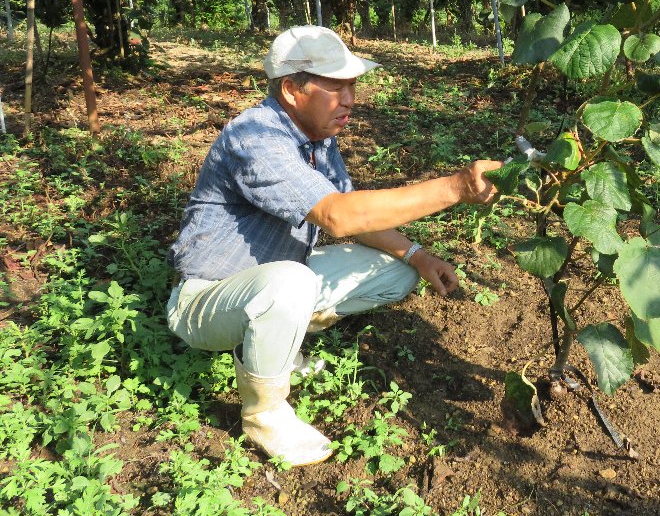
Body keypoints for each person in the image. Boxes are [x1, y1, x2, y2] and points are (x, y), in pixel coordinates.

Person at [165, 25, 502, 466]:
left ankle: (276, 341)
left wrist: (419, 257)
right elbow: (339, 217)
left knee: (396, 271)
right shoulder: (256, 138)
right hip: (206, 300)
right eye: (336, 87)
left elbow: (353, 216)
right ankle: (264, 412)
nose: (350, 99)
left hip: (273, 279)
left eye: (353, 86)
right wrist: (456, 187)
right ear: (291, 89)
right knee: (291, 283)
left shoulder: (318, 141)